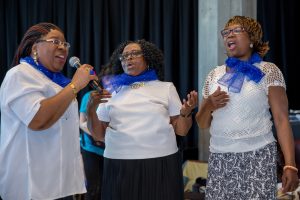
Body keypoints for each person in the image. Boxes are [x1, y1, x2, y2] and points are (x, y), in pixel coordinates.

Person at [195, 16, 299, 200]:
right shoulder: (214, 75)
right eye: (226, 33)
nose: (229, 35)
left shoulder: (268, 70)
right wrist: (208, 106)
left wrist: (290, 165)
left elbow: (281, 120)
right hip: (220, 158)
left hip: (258, 155)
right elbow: (202, 123)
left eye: (236, 30)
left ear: (252, 39)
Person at [86, 39, 198, 200]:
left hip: (161, 162)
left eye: (134, 54)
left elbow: (181, 129)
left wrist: (186, 113)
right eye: (124, 56)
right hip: (119, 163)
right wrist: (91, 108)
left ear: (148, 58)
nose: (128, 58)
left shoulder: (166, 88)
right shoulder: (110, 90)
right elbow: (98, 135)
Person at [0, 22, 98, 200]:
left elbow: (67, 138)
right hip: (31, 186)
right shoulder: (19, 74)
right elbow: (38, 119)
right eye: (55, 41)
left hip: (63, 187)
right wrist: (75, 85)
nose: (63, 48)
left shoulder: (60, 84)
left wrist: (78, 178)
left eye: (65, 44)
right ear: (34, 48)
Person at [79, 90, 105, 200]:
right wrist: (101, 137)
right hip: (91, 148)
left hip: (112, 151)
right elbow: (82, 123)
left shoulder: (119, 94)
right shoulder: (90, 96)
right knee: (93, 188)